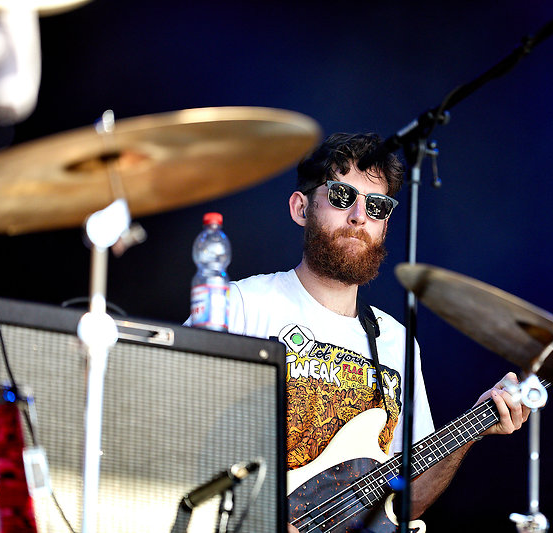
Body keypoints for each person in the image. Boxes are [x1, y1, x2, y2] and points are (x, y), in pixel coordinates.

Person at [225, 132, 529, 532]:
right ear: (301, 208)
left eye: (377, 205)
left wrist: (474, 430)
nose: (359, 216)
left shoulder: (396, 341)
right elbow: (177, 425)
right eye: (341, 196)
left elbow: (408, 502)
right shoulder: (241, 305)